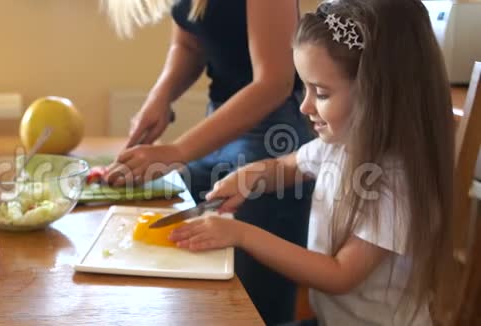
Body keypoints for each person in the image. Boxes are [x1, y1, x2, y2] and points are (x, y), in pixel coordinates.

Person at [169, 0, 455, 325]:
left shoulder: (394, 180)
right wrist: (248, 177)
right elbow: (289, 166)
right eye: (304, 87)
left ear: (376, 93)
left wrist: (241, 234)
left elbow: (340, 274)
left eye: (320, 93)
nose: (304, 106)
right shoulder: (338, 145)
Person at [101, 0, 314, 324]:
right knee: (199, 298)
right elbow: (188, 42)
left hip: (272, 144)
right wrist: (160, 97)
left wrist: (178, 150)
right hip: (218, 125)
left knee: (253, 311)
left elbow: (274, 83)